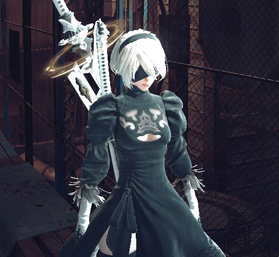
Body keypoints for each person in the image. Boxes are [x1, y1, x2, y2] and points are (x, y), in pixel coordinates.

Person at [60, 29, 226, 257]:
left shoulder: (166, 103)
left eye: (152, 69)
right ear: (126, 68)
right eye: (140, 70)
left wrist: (191, 197)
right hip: (129, 197)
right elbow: (97, 158)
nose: (148, 76)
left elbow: (178, 151)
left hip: (163, 193)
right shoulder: (112, 107)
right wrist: (83, 218)